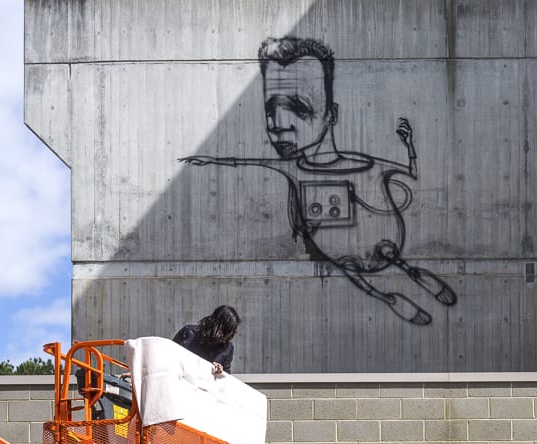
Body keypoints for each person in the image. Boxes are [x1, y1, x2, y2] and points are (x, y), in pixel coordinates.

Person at [179, 36, 457, 325]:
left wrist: (409, 145)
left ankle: (409, 275)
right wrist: (210, 161)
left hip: (384, 245)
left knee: (387, 260)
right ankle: (391, 293)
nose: (278, 124)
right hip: (353, 257)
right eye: (270, 111)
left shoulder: (367, 167)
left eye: (299, 109)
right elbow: (245, 161)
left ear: (331, 115)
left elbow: (410, 177)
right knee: (358, 269)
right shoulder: (295, 168)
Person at [172, 305, 240, 375]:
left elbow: (226, 377)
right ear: (221, 328)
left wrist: (220, 372)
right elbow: (169, 355)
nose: (233, 334)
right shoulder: (189, 333)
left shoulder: (228, 348)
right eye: (231, 330)